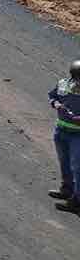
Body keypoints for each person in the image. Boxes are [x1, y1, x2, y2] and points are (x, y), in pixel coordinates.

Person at [50, 60, 80, 212]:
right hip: (61, 131)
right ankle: (67, 190)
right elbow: (53, 96)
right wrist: (56, 104)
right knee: (65, 162)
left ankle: (77, 202)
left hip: (78, 136)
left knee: (78, 167)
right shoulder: (63, 84)